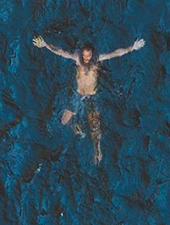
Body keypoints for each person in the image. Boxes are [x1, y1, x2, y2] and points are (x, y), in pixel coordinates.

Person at [31, 35, 145, 163]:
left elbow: (115, 53)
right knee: (64, 121)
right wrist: (46, 45)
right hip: (78, 95)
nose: (86, 58)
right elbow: (61, 52)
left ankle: (97, 149)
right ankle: (76, 128)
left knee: (94, 124)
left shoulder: (97, 60)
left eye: (88, 56)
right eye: (84, 56)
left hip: (93, 96)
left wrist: (132, 48)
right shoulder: (77, 59)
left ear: (92, 54)